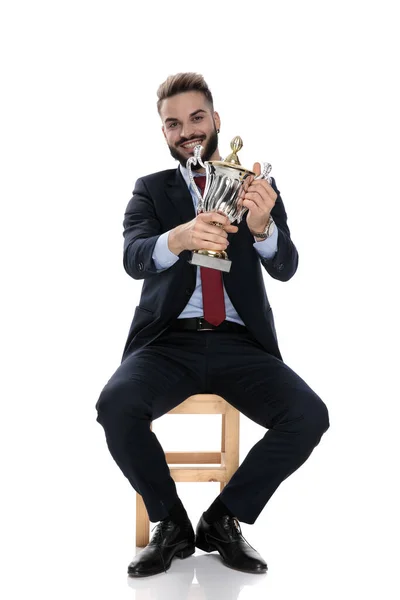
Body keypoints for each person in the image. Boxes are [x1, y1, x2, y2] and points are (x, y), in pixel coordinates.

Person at [95, 72, 330, 578]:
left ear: (216, 120)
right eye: (173, 124)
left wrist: (263, 228)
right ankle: (171, 522)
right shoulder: (151, 191)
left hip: (241, 345)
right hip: (166, 344)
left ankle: (223, 519)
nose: (187, 130)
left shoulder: (254, 185)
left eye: (196, 117)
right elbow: (134, 257)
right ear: (164, 134)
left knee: (310, 416)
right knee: (115, 406)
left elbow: (286, 266)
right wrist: (178, 237)